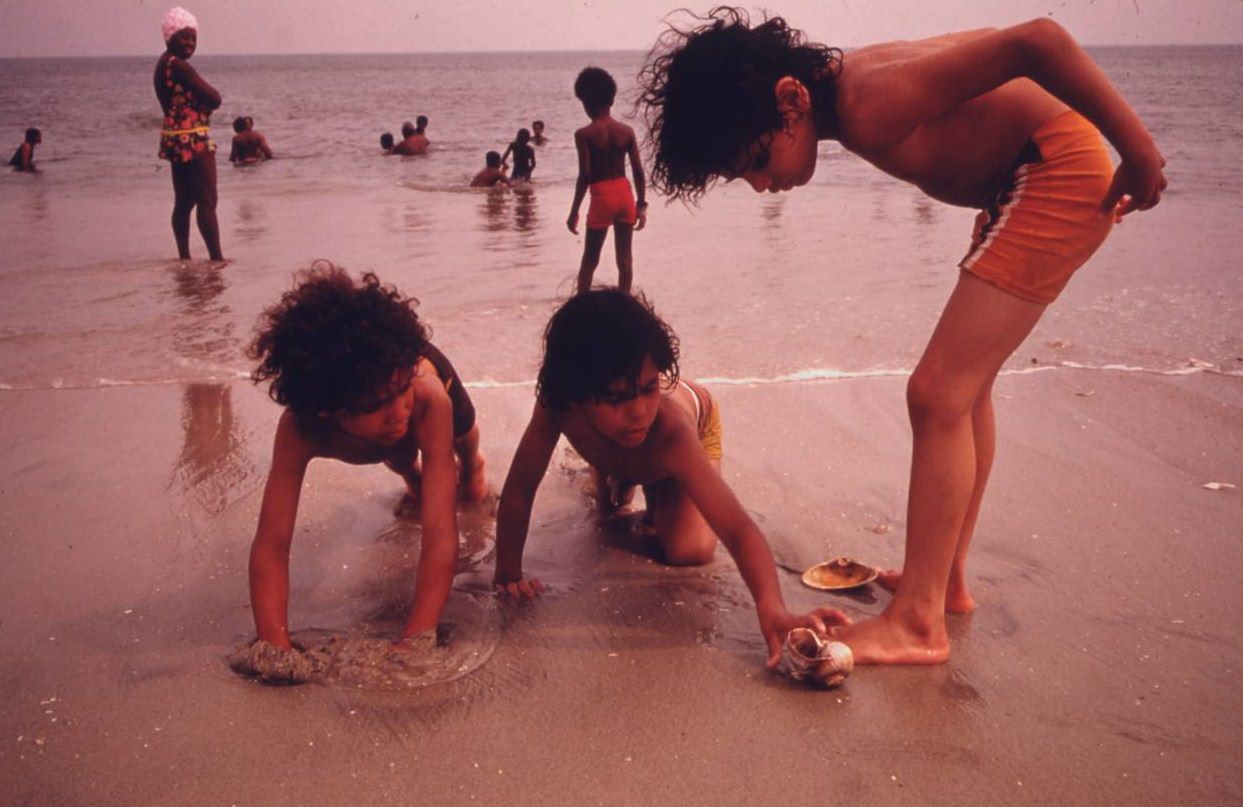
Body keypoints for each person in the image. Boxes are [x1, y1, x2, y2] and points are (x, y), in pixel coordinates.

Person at [638, 9, 1167, 665]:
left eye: (752, 160)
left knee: (936, 393)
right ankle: (941, 583)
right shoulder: (851, 86)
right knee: (963, 393)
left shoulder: (867, 97)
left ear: (790, 99)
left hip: (1048, 172)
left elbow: (1040, 40)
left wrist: (1138, 152)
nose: (757, 185)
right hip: (1025, 177)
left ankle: (917, 621)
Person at [493, 288, 848, 668]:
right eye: (617, 399)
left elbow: (738, 529)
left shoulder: (669, 431)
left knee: (689, 551)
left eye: (648, 388)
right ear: (576, 396)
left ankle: (653, 482)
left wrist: (773, 607)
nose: (639, 412)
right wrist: (508, 573)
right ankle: (619, 474)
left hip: (692, 424)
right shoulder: (558, 406)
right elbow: (519, 490)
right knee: (607, 505)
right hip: (618, 447)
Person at [244, 264, 488, 682]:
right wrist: (275, 643)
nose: (397, 410)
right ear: (325, 408)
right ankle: (410, 474)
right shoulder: (301, 428)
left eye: (398, 392)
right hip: (372, 429)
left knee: (463, 437)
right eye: (375, 404)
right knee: (395, 452)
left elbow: (439, 532)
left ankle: (472, 464)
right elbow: (271, 543)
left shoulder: (423, 397)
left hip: (436, 391)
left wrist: (418, 635)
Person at [567, 67, 647, 294]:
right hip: (624, 193)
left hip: (601, 195)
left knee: (590, 260)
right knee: (625, 259)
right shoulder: (626, 131)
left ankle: (581, 304)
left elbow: (585, 175)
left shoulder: (584, 134)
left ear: (586, 102)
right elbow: (639, 172)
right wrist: (641, 204)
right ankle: (625, 303)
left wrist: (574, 211)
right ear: (611, 100)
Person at [154, 6, 223, 261]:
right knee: (207, 198)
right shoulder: (179, 66)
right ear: (169, 36)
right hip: (193, 138)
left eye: (193, 37)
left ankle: (184, 257)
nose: (189, 43)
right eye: (184, 36)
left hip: (174, 137)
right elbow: (214, 98)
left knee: (184, 201)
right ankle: (217, 259)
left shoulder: (162, 64)